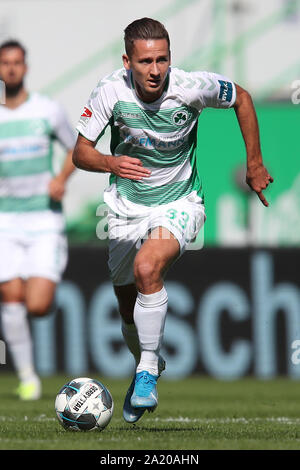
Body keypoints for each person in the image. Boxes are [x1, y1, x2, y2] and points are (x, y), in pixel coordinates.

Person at [73, 17, 273, 423]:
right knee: (127, 306)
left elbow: (243, 98)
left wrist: (254, 162)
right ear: (127, 61)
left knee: (149, 267)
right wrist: (111, 162)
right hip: (126, 207)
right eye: (146, 61)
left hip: (181, 202)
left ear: (170, 58)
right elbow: (80, 152)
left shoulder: (190, 87)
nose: (155, 70)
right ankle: (147, 361)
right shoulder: (111, 90)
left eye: (162, 59)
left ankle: (146, 368)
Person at [0, 40, 76, 400]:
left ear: (25, 67)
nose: (11, 69)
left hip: (44, 218)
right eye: (5, 63)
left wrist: (61, 179)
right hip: (5, 221)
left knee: (38, 305)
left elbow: (78, 148)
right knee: (10, 296)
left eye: (16, 63)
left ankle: (47, 296)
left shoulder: (46, 110)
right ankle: (28, 376)